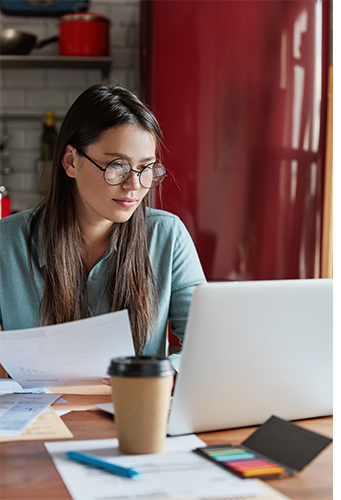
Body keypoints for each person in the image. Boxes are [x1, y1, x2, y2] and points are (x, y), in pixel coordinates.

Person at [0, 83, 206, 373]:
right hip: (41, 417)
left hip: (134, 412)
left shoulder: (167, 236)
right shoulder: (6, 242)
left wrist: (160, 374)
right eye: (117, 166)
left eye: (145, 168)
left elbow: (207, 348)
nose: (134, 185)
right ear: (71, 162)